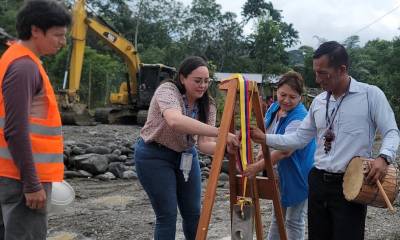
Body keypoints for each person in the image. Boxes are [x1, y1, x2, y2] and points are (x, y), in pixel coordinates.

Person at [250, 41, 399, 240]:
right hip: (318, 180)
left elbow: (391, 131)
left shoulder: (370, 95)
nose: (318, 79)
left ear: (342, 69)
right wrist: (264, 138)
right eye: (316, 72)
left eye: (323, 73)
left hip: (351, 184)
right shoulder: (319, 102)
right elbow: (299, 138)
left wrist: (384, 157)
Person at [134, 56, 239, 240]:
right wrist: (221, 133)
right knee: (167, 215)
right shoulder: (167, 90)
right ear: (182, 78)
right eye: (197, 81)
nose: (203, 86)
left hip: (185, 156)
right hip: (154, 155)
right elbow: (175, 121)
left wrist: (224, 147)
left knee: (193, 213)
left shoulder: (208, 104)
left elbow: (204, 144)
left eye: (206, 81)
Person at [0, 1, 71, 240]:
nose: (63, 41)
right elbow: (15, 130)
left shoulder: (15, 59)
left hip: (11, 173)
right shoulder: (24, 68)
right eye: (58, 35)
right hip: (20, 179)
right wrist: (32, 184)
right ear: (35, 30)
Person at [244, 71, 315, 240]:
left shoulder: (300, 117)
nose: (286, 100)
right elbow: (267, 133)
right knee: (278, 214)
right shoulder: (275, 107)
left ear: (300, 97)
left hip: (299, 172)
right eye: (283, 95)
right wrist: (262, 152)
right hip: (281, 170)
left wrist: (257, 167)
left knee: (294, 219)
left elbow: (286, 150)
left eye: (293, 97)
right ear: (277, 91)